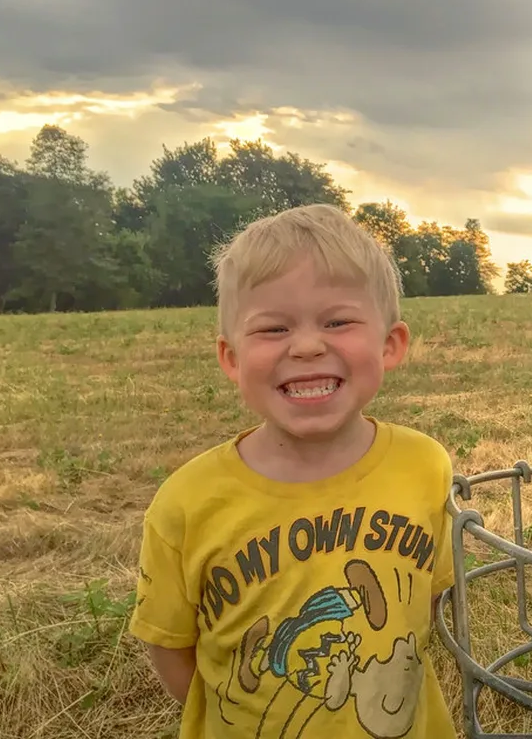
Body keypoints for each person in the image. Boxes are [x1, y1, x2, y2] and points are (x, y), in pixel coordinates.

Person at [128, 203, 457, 739]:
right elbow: (169, 648)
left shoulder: (425, 466)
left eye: (338, 321)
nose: (306, 346)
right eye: (274, 327)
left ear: (390, 344)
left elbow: (427, 600)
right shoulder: (186, 503)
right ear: (231, 358)